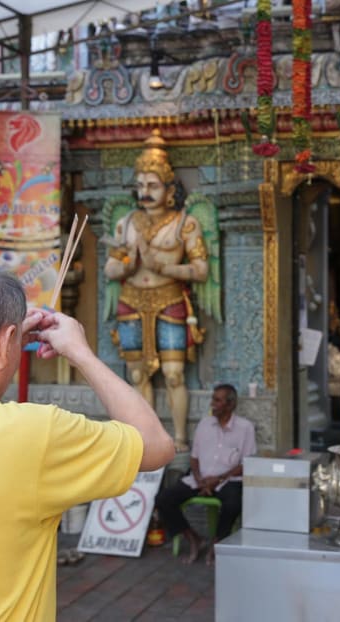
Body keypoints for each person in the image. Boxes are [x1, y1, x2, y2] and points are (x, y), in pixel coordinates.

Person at [0, 265, 175, 620]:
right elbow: (156, 445)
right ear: (10, 342)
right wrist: (80, 353)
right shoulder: (31, 435)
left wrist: (2, 346)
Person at [103, 130, 209, 452]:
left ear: (168, 188)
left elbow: (201, 270)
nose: (145, 192)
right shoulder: (126, 223)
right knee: (137, 375)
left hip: (170, 298)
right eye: (140, 186)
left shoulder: (184, 224)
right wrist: (130, 265)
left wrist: (163, 267)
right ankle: (145, 439)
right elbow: (110, 269)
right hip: (131, 299)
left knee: (174, 373)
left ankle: (179, 438)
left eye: (152, 185)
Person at [155, 384, 256, 565]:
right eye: (213, 399)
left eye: (218, 400)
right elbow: (194, 458)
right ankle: (194, 538)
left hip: (228, 480)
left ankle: (216, 544)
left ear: (231, 404)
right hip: (200, 479)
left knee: (233, 503)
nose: (213, 404)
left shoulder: (245, 428)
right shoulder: (204, 424)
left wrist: (218, 479)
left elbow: (246, 464)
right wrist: (200, 479)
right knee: (164, 499)